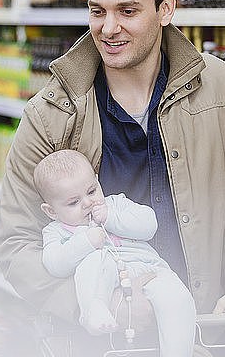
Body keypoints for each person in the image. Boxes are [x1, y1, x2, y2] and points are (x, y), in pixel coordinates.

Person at [0, 0, 225, 351]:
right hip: (100, 342)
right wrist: (94, 303)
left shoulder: (220, 88)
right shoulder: (49, 115)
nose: (109, 28)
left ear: (166, 8)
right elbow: (16, 241)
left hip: (203, 333)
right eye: (98, 11)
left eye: (127, 11)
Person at [35, 149, 196, 355]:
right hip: (108, 279)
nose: (87, 203)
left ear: (97, 181)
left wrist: (111, 217)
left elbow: (149, 224)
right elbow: (54, 263)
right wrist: (86, 242)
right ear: (51, 211)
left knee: (177, 297)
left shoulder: (115, 204)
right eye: (73, 202)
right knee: (94, 261)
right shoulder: (56, 230)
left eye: (92, 191)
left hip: (150, 270)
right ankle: (94, 309)